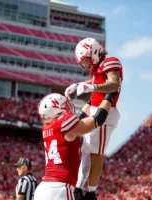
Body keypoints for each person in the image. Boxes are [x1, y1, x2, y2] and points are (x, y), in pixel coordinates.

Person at [64, 38, 123, 200]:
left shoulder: (111, 62)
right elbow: (97, 80)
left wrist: (91, 87)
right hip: (94, 109)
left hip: (106, 111)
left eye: (87, 60)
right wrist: (80, 84)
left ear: (94, 52)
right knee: (85, 151)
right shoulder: (98, 69)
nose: (86, 65)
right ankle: (78, 189)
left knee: (96, 154)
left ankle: (90, 192)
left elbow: (113, 84)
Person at [34, 92, 117, 200]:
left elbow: (79, 119)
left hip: (43, 189)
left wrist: (91, 101)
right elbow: (97, 120)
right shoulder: (64, 124)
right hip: (60, 188)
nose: (67, 105)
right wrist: (109, 97)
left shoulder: (48, 126)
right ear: (57, 110)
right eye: (63, 104)